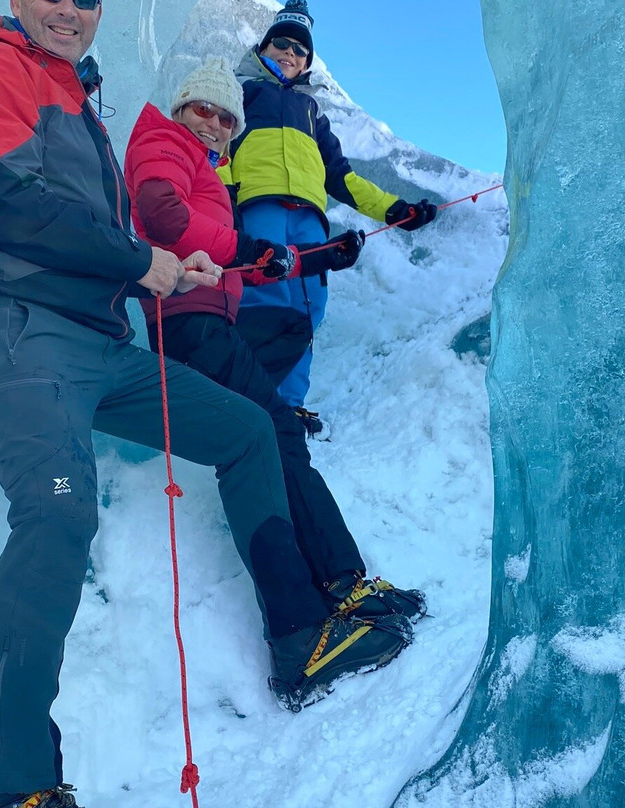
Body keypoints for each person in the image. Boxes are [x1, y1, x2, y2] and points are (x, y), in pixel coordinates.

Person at [0, 4, 410, 807]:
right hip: (6, 317)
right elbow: (10, 205)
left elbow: (115, 232)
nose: (68, 11)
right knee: (58, 512)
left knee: (252, 428)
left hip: (100, 340)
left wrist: (166, 269)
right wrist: (143, 257)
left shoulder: (79, 102)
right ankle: (14, 786)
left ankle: (298, 641)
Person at [123, 57, 427, 627]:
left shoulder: (205, 167)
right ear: (180, 109)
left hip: (215, 318)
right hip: (189, 320)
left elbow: (239, 258)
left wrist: (320, 257)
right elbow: (164, 217)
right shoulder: (164, 141)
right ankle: (341, 585)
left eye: (224, 119)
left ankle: (333, 585)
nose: (212, 123)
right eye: (202, 110)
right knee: (277, 430)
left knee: (291, 326)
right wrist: (244, 250)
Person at [222, 0, 439, 438]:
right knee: (263, 297)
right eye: (281, 43)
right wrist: (225, 203)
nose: (290, 53)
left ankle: (289, 405)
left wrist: (395, 211)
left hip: (309, 219)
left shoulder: (312, 113)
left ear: (307, 63)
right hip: (258, 205)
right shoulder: (241, 92)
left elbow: (342, 178)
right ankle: (251, 397)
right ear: (263, 47)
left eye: (300, 50)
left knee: (307, 307)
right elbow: (222, 151)